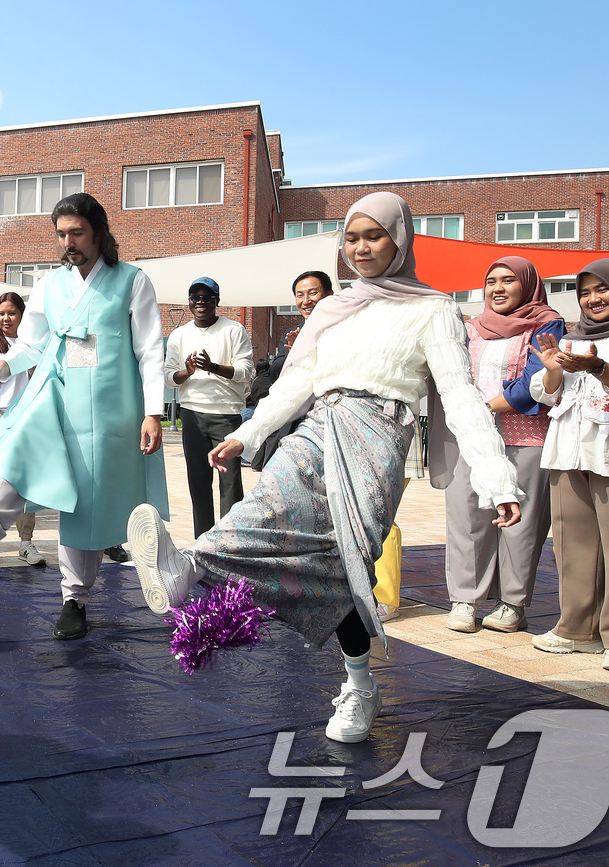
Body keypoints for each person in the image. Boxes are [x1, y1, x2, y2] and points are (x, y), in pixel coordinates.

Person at [129, 192, 521, 744]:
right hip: (317, 427)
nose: (361, 248)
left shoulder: (432, 309)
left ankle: (360, 685)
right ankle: (188, 568)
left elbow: (460, 397)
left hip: (378, 438)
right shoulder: (336, 309)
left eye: (374, 236)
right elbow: (295, 384)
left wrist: (496, 476)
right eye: (352, 238)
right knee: (265, 506)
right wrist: (245, 435)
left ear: (400, 239)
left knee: (343, 567)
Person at [0, 192, 168, 641]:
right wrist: (3, 365)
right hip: (55, 393)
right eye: (61, 234)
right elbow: (32, 342)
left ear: (98, 231)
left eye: (77, 232)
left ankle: (74, 599)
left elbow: (149, 349)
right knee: (16, 448)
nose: (68, 242)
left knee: (84, 503)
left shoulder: (132, 281)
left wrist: (154, 412)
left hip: (109, 412)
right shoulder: (48, 284)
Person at [529, 258, 609, 675]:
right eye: (585, 292)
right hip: (569, 452)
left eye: (603, 289)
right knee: (572, 543)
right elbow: (542, 395)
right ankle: (577, 629)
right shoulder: (573, 336)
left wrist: (598, 367)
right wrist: (553, 372)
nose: (593, 299)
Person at [442, 258, 563, 634]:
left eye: (508, 280)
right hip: (472, 438)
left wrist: (479, 407)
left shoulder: (547, 323)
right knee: (466, 517)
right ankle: (465, 598)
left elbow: (536, 380)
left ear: (527, 284)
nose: (497, 288)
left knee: (520, 526)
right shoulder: (469, 328)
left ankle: (512, 604)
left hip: (525, 437)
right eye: (491, 281)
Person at [164, 277, 255, 536]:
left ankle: (229, 542)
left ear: (217, 301)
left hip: (226, 415)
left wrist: (213, 367)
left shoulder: (234, 330)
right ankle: (203, 542)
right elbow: (168, 376)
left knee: (230, 483)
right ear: (189, 302)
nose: (201, 302)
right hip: (192, 415)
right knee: (198, 482)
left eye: (207, 297)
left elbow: (246, 371)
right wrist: (189, 371)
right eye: (195, 297)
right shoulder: (179, 335)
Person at [0, 291, 44, 566]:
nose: (6, 318)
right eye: (1, 313)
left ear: (23, 316)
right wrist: (17, 362)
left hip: (25, 417)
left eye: (11, 312)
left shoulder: (33, 343)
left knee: (25, 481)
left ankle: (26, 542)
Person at [247, 271, 334, 471]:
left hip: (328, 419)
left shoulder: (341, 329)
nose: (306, 301)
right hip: (294, 420)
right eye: (299, 295)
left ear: (329, 295)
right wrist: (295, 350)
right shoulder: (290, 334)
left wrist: (308, 349)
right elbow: (276, 373)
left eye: (313, 293)